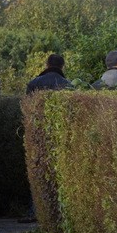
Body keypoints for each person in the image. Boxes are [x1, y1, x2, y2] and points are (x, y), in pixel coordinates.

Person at [21, 53, 73, 223]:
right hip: (58, 135)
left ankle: (34, 211)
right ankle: (58, 213)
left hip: (37, 134)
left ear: (47, 64)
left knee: (37, 172)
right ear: (62, 66)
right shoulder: (67, 85)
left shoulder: (34, 83)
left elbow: (27, 109)